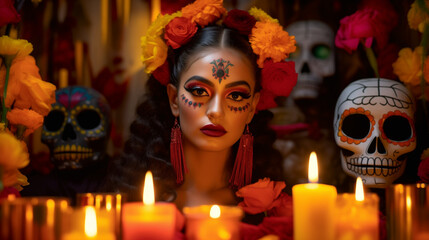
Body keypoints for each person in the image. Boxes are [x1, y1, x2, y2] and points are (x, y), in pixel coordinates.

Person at [104, 0, 298, 211]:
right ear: (174, 99)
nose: (215, 111)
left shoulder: (271, 208)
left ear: (252, 107)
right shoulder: (133, 206)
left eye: (236, 96)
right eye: (199, 92)